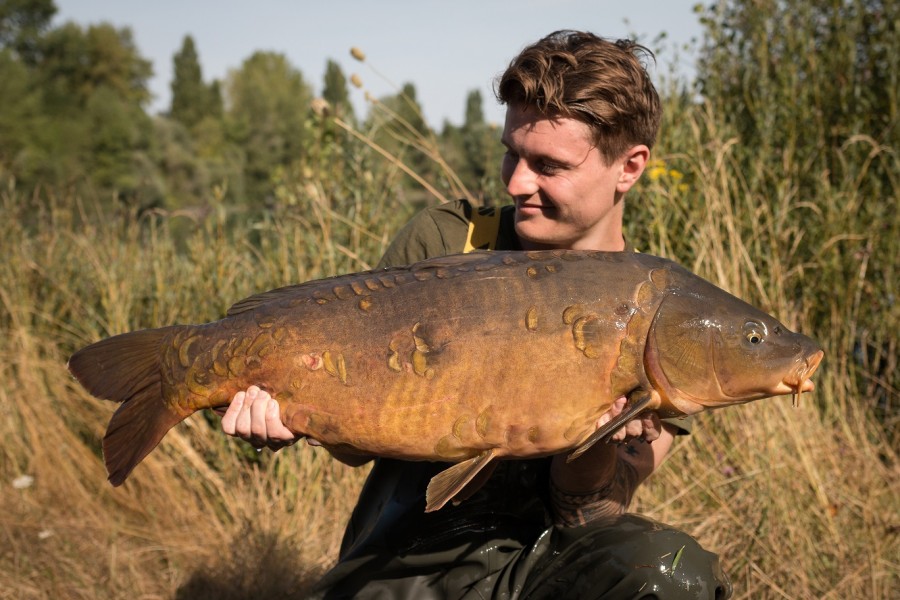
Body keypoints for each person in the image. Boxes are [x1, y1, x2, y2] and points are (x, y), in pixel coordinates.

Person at [221, 30, 733, 599]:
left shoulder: (665, 318)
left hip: (541, 565)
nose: (517, 183)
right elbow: (355, 445)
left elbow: (588, 515)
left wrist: (598, 441)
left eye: (548, 165)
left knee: (672, 576)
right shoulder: (451, 239)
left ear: (629, 167)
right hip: (407, 558)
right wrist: (293, 413)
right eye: (511, 152)